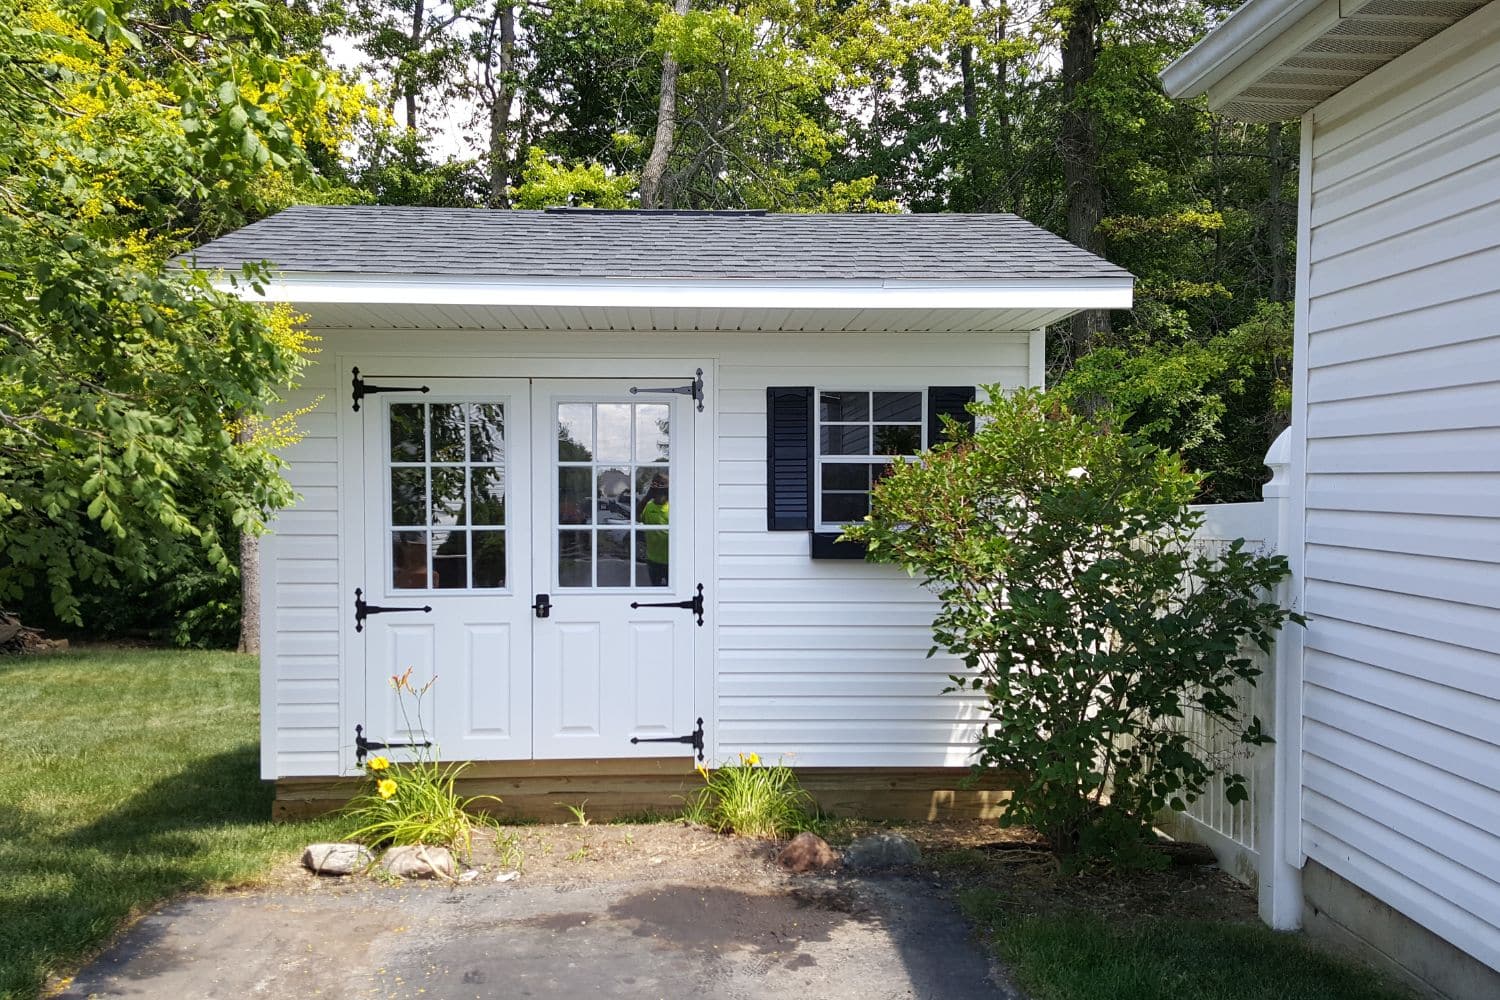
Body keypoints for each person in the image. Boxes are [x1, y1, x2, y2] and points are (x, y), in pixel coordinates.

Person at [637, 473, 669, 586]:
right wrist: (648, 496)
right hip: (653, 560)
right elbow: (636, 516)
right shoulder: (649, 506)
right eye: (655, 484)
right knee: (656, 590)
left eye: (661, 485)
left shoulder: (672, 507)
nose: (657, 488)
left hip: (670, 560)